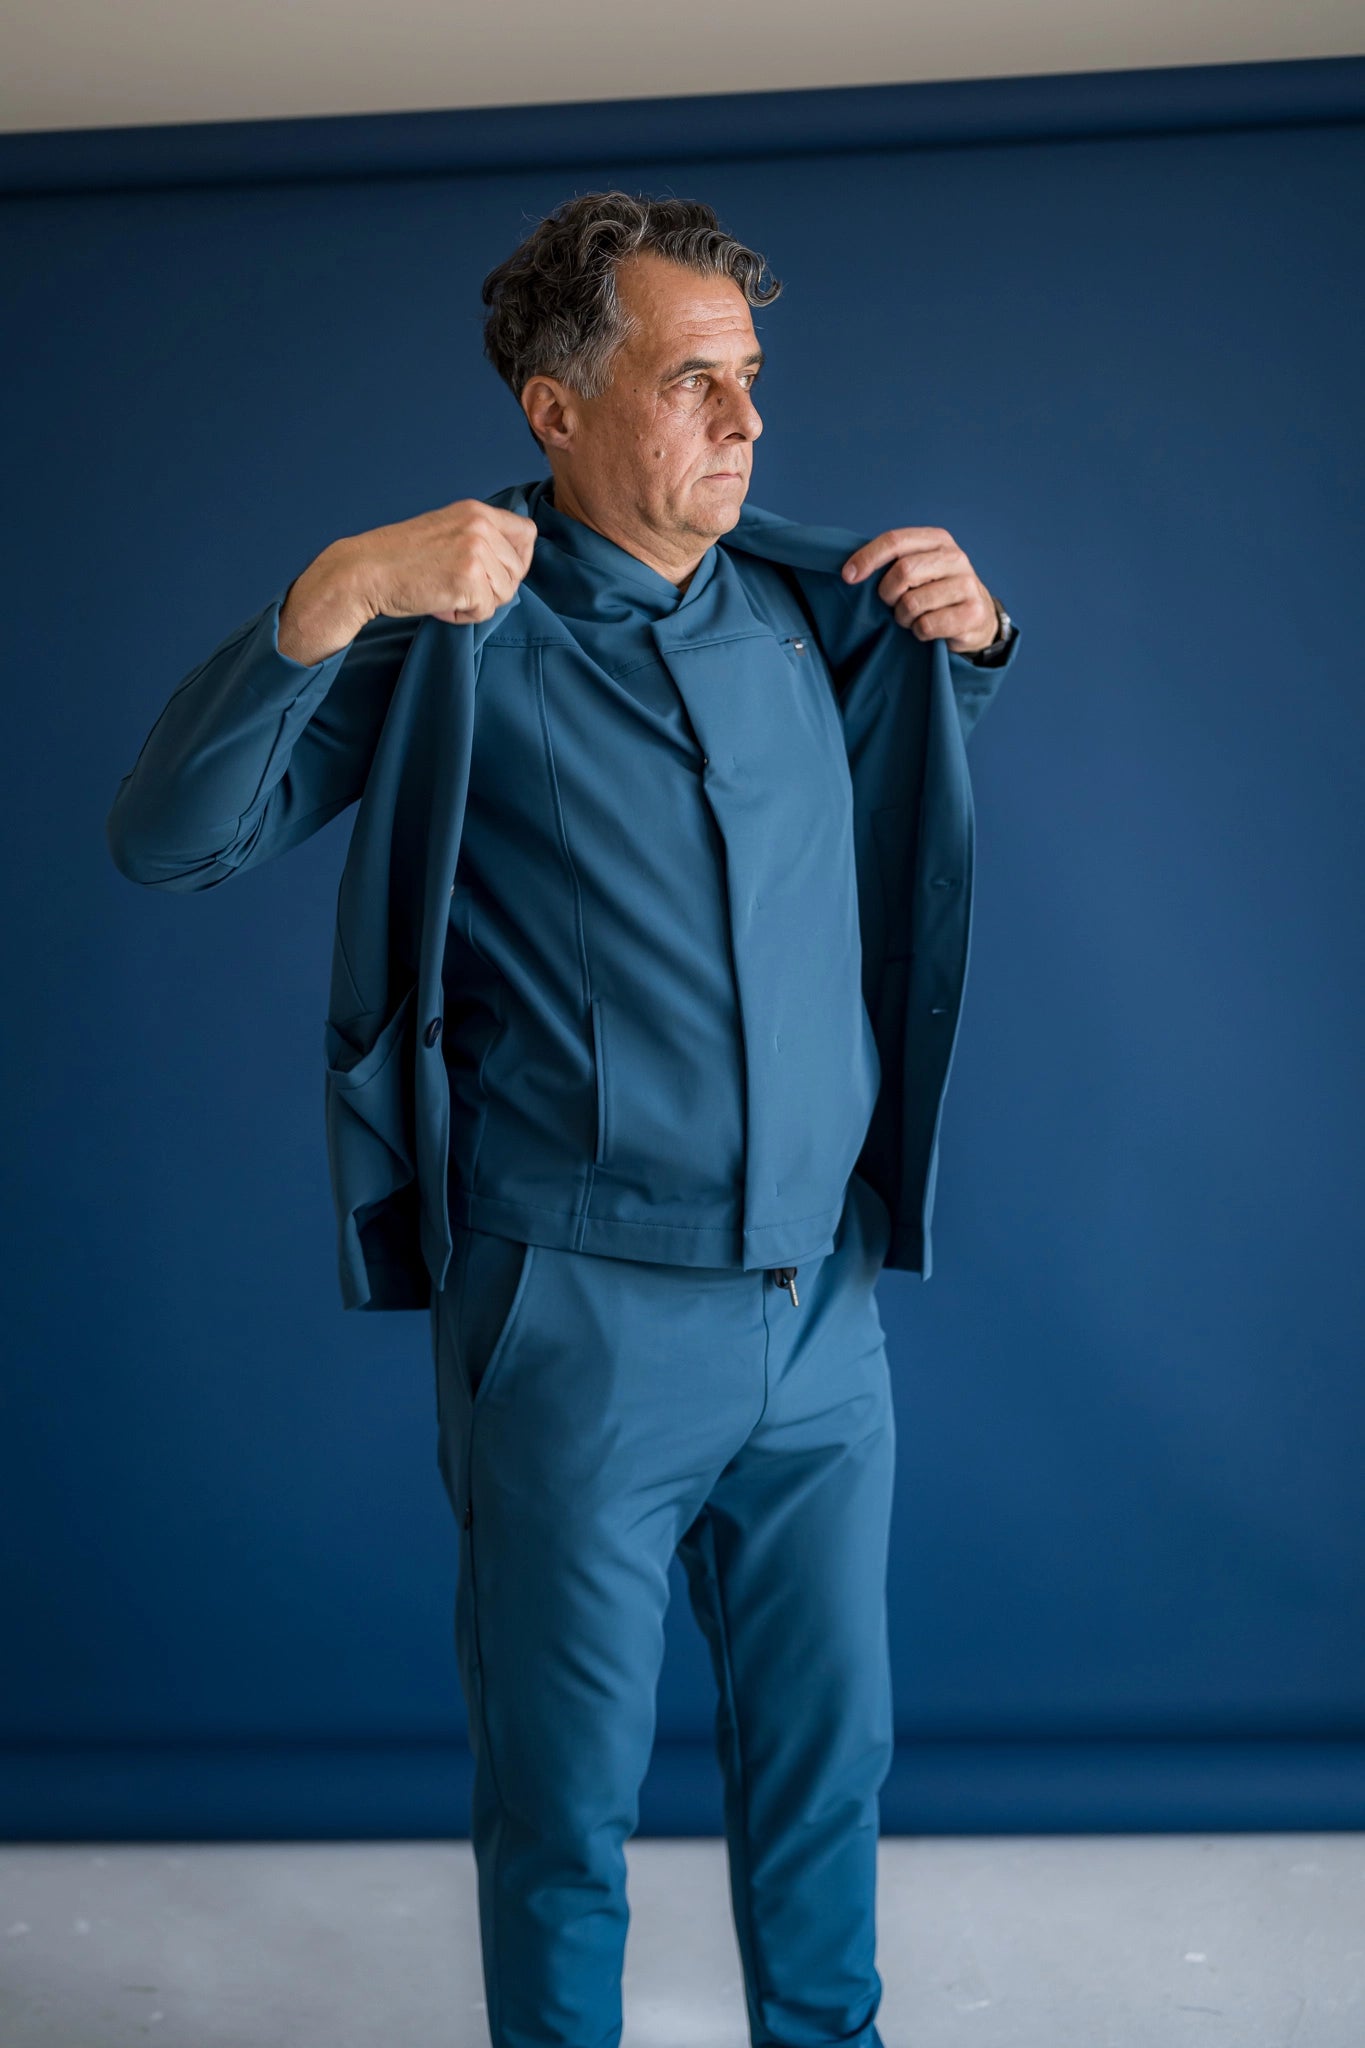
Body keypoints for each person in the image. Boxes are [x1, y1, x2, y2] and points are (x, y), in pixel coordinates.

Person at [107, 189, 1019, 2048]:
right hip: (577, 1324)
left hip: (820, 1314)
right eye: (693, 382)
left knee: (827, 1776)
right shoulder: (453, 635)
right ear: (555, 409)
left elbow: (893, 810)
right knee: (560, 1806)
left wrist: (976, 638)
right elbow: (171, 842)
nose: (746, 421)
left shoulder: (812, 615)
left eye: (749, 377)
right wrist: (333, 591)